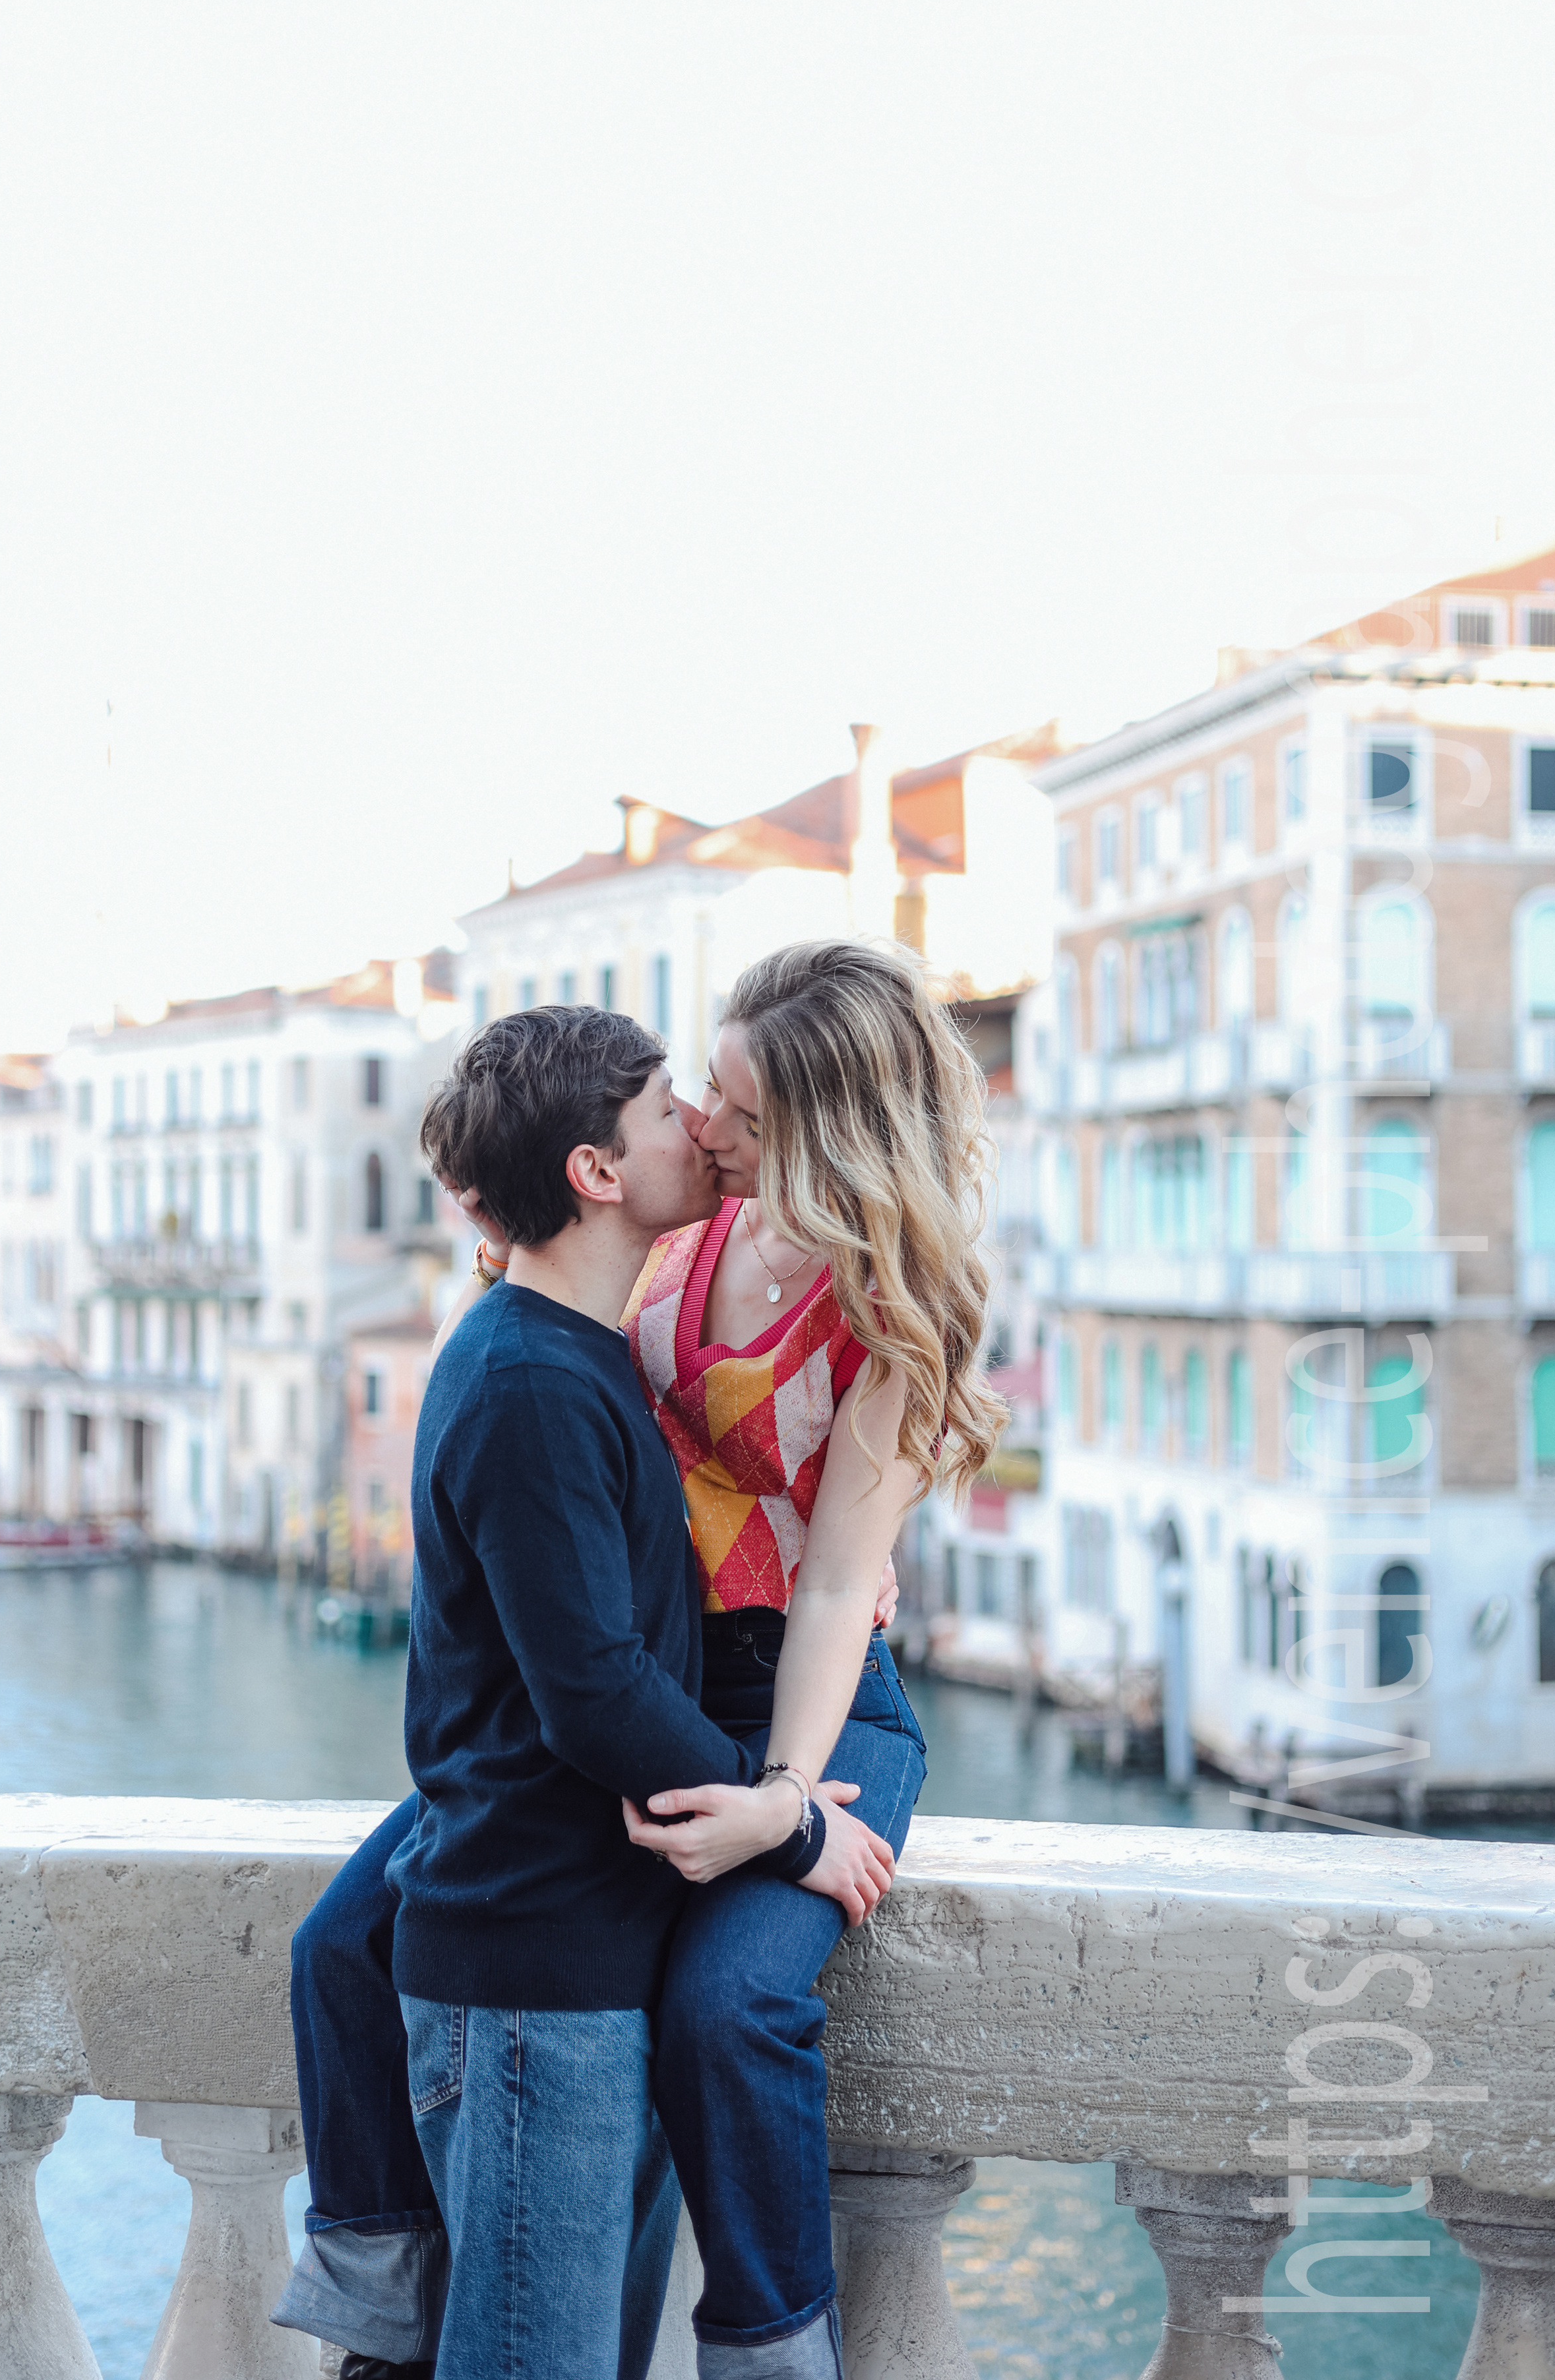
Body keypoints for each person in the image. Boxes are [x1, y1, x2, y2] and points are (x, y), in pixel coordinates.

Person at [275, 940, 1006, 2379]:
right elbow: (551, 1257)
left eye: (726, 1100)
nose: (700, 1120)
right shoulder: (675, 1227)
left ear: (814, 1123)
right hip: (638, 1678)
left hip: (805, 1690)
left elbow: (841, 1585)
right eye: (690, 1092)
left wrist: (785, 1804)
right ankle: (384, 2310)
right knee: (341, 1944)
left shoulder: (888, 1310)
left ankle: (771, 2349)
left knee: (726, 2007)